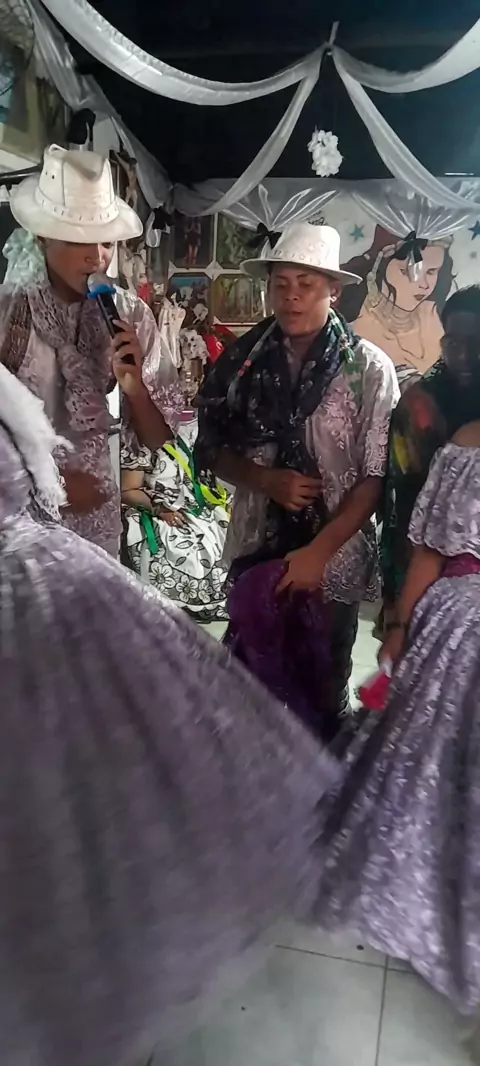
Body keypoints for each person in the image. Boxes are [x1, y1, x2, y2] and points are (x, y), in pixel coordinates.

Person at [0, 361, 338, 1066]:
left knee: (93, 785)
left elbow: (111, 458)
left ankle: (90, 960)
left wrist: (66, 478)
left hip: (54, 584)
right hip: (39, 588)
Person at [314, 422, 480, 1043]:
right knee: (435, 779)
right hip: (457, 629)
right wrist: (400, 629)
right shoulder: (466, 445)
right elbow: (429, 553)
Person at [195, 222, 399, 724]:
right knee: (249, 686)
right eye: (280, 284)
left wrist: (316, 554)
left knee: (323, 690)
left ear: (333, 291)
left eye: (306, 284)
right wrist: (265, 480)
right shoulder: (242, 364)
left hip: (334, 558)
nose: (291, 297)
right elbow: (211, 448)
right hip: (256, 545)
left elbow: (376, 477)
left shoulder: (369, 370)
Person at [0, 144, 176, 556]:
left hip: (97, 518)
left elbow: (160, 441)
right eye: (79, 241)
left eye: (106, 243)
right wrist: (50, 478)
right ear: (42, 237)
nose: (96, 257)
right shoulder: (8, 314)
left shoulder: (131, 314)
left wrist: (135, 389)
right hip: (19, 519)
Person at [381, 284, 480, 619]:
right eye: (453, 344)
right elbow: (407, 508)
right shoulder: (420, 407)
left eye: (475, 343)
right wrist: (401, 609)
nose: (463, 356)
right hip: (428, 567)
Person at [121, 432, 230, 622]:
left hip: (191, 506)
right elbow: (128, 491)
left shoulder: (186, 435)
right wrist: (159, 509)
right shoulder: (139, 442)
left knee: (226, 536)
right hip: (156, 508)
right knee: (192, 551)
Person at [338, 226, 454, 374]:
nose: (423, 285)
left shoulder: (435, 316)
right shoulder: (352, 321)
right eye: (406, 272)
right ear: (379, 268)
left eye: (431, 272)